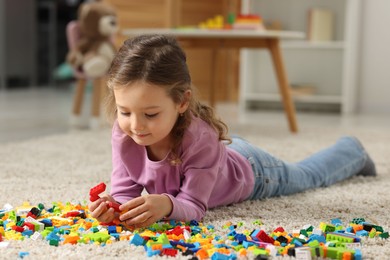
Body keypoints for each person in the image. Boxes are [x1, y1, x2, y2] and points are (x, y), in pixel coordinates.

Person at [89, 34, 376, 229]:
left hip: (254, 172)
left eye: (150, 114)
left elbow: (194, 206)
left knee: (308, 177)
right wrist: (114, 208)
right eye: (125, 111)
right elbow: (126, 192)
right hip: (224, 157)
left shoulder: (199, 140)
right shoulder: (125, 132)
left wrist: (166, 204)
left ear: (182, 101)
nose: (135, 125)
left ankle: (352, 150)